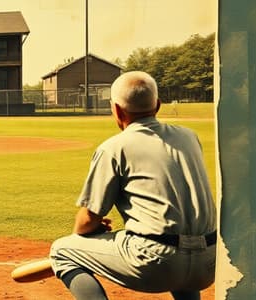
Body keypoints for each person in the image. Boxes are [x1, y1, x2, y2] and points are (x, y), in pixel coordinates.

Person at [48, 71, 216, 300]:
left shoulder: (114, 148)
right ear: (157, 105)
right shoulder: (189, 136)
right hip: (209, 262)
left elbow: (87, 220)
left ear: (116, 109)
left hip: (155, 263)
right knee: (179, 248)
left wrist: (90, 232)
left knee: (62, 250)